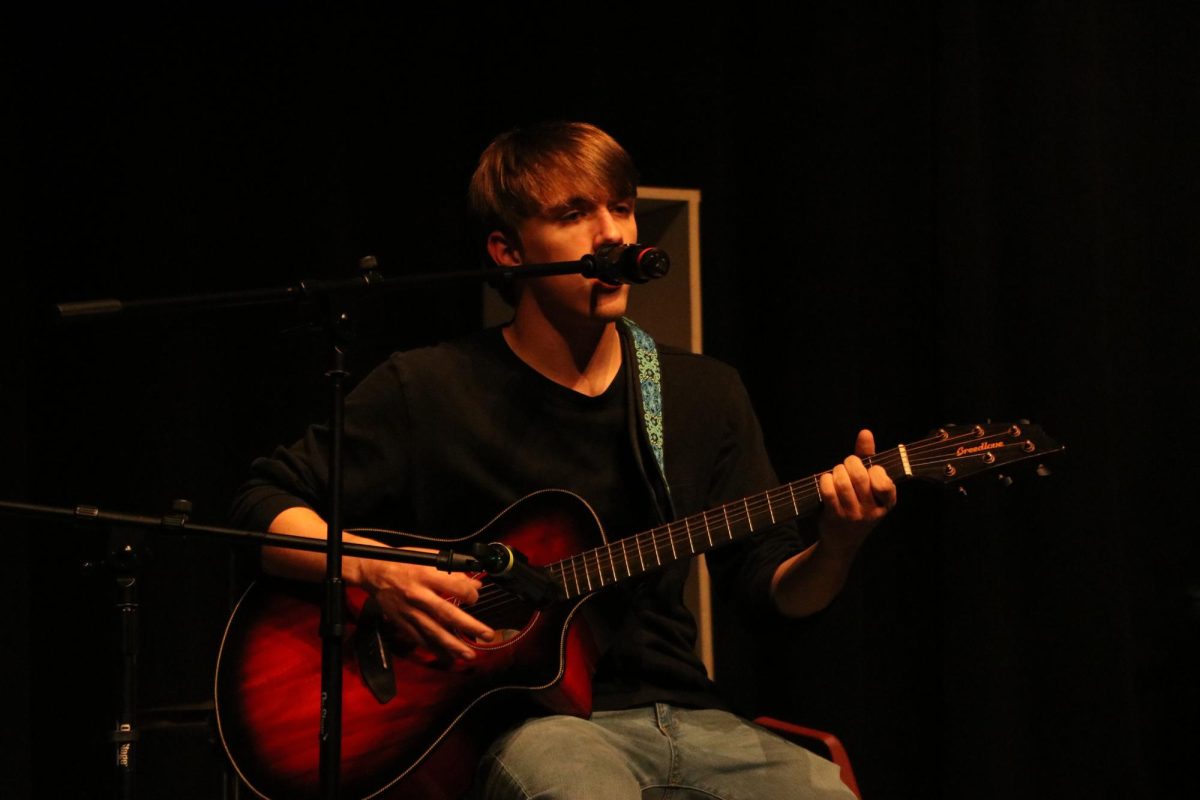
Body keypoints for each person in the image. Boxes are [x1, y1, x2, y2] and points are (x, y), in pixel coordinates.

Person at [231, 121, 895, 799]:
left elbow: (769, 592)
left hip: (696, 721)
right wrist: (380, 572)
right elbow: (263, 505)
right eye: (575, 214)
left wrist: (838, 545)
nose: (611, 233)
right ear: (508, 251)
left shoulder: (704, 393)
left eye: (622, 207)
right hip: (536, 726)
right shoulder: (429, 388)